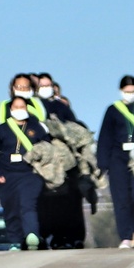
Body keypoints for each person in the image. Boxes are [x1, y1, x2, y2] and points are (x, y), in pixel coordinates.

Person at [0, 95, 51, 250]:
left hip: (30, 175)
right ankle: (15, 240)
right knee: (11, 208)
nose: (20, 110)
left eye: (23, 107)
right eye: (16, 107)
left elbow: (47, 147)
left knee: (28, 205)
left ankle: (32, 236)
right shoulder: (1, 130)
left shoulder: (35, 127)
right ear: (11, 110)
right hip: (7, 177)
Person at [97, 76, 134, 248]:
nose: (130, 94)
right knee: (121, 199)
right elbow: (105, 137)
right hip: (118, 159)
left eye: (133, 91)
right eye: (127, 92)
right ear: (121, 91)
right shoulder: (113, 110)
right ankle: (125, 237)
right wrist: (102, 164)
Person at [34, 72, 86, 249]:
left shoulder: (60, 107)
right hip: (42, 163)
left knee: (67, 200)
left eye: (48, 85)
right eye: (41, 86)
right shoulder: (32, 107)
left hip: (65, 163)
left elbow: (75, 127)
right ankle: (46, 235)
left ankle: (68, 237)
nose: (45, 89)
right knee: (47, 203)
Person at [0, 73, 48, 154]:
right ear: (13, 88)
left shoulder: (39, 105)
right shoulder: (2, 107)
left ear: (30, 89)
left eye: (25, 87)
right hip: (6, 154)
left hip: (34, 154)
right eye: (19, 87)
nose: (22, 90)